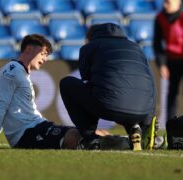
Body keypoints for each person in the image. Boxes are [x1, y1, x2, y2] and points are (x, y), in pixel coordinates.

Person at [60, 23, 157, 151]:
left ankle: (91, 138)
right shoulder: (136, 48)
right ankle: (135, 128)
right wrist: (147, 121)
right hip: (142, 110)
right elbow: (151, 83)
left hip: (109, 105)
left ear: (91, 37)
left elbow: (86, 77)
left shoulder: (90, 47)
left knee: (67, 84)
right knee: (127, 91)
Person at [0, 34, 81, 149]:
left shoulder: (22, 73)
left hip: (37, 127)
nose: (45, 59)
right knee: (77, 136)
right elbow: (1, 106)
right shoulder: (12, 69)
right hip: (27, 133)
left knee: (91, 134)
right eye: (43, 54)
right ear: (29, 49)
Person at [153, 0, 183, 122]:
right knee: (172, 93)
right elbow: (157, 44)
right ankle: (170, 124)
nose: (165, 5)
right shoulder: (160, 18)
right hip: (172, 60)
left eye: (168, 2)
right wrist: (162, 64)